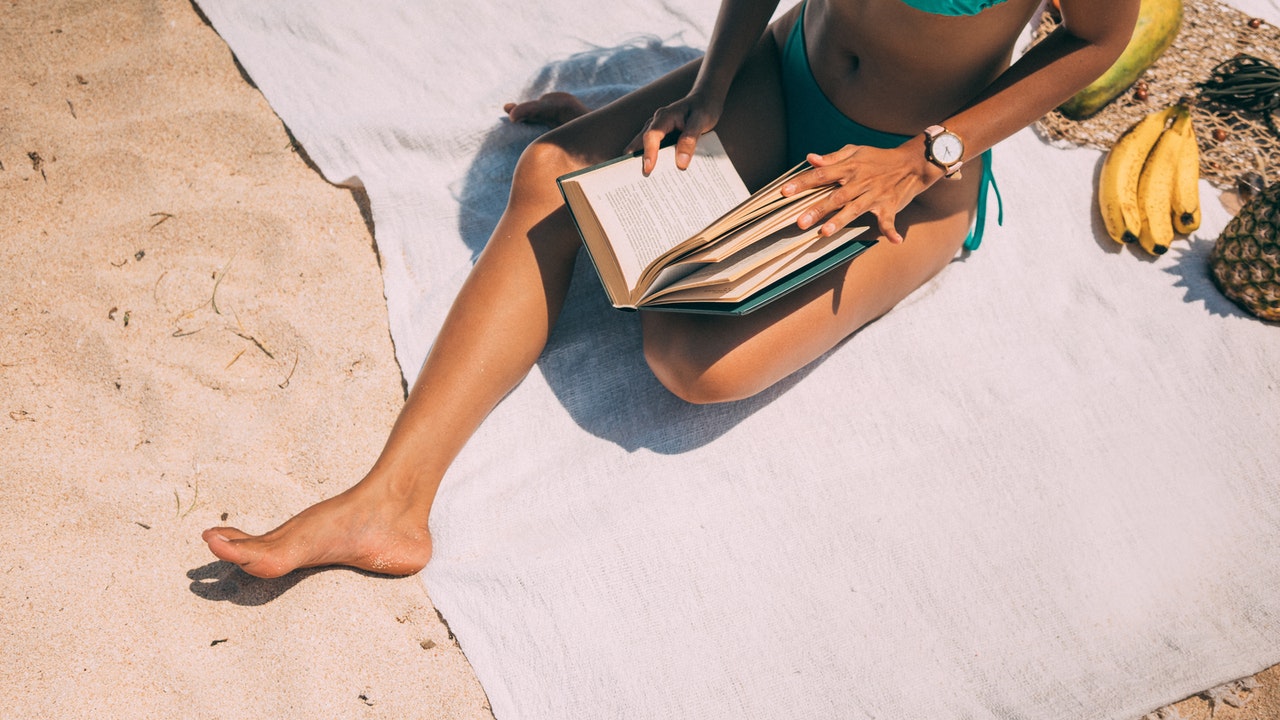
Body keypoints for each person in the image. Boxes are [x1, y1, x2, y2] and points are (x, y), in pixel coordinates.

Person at [203, 0, 1137, 578]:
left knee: (691, 360)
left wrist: (926, 156)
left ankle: (727, 203)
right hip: (784, 72)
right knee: (549, 177)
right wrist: (714, 81)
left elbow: (1098, 39)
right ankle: (389, 503)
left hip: (909, 170)